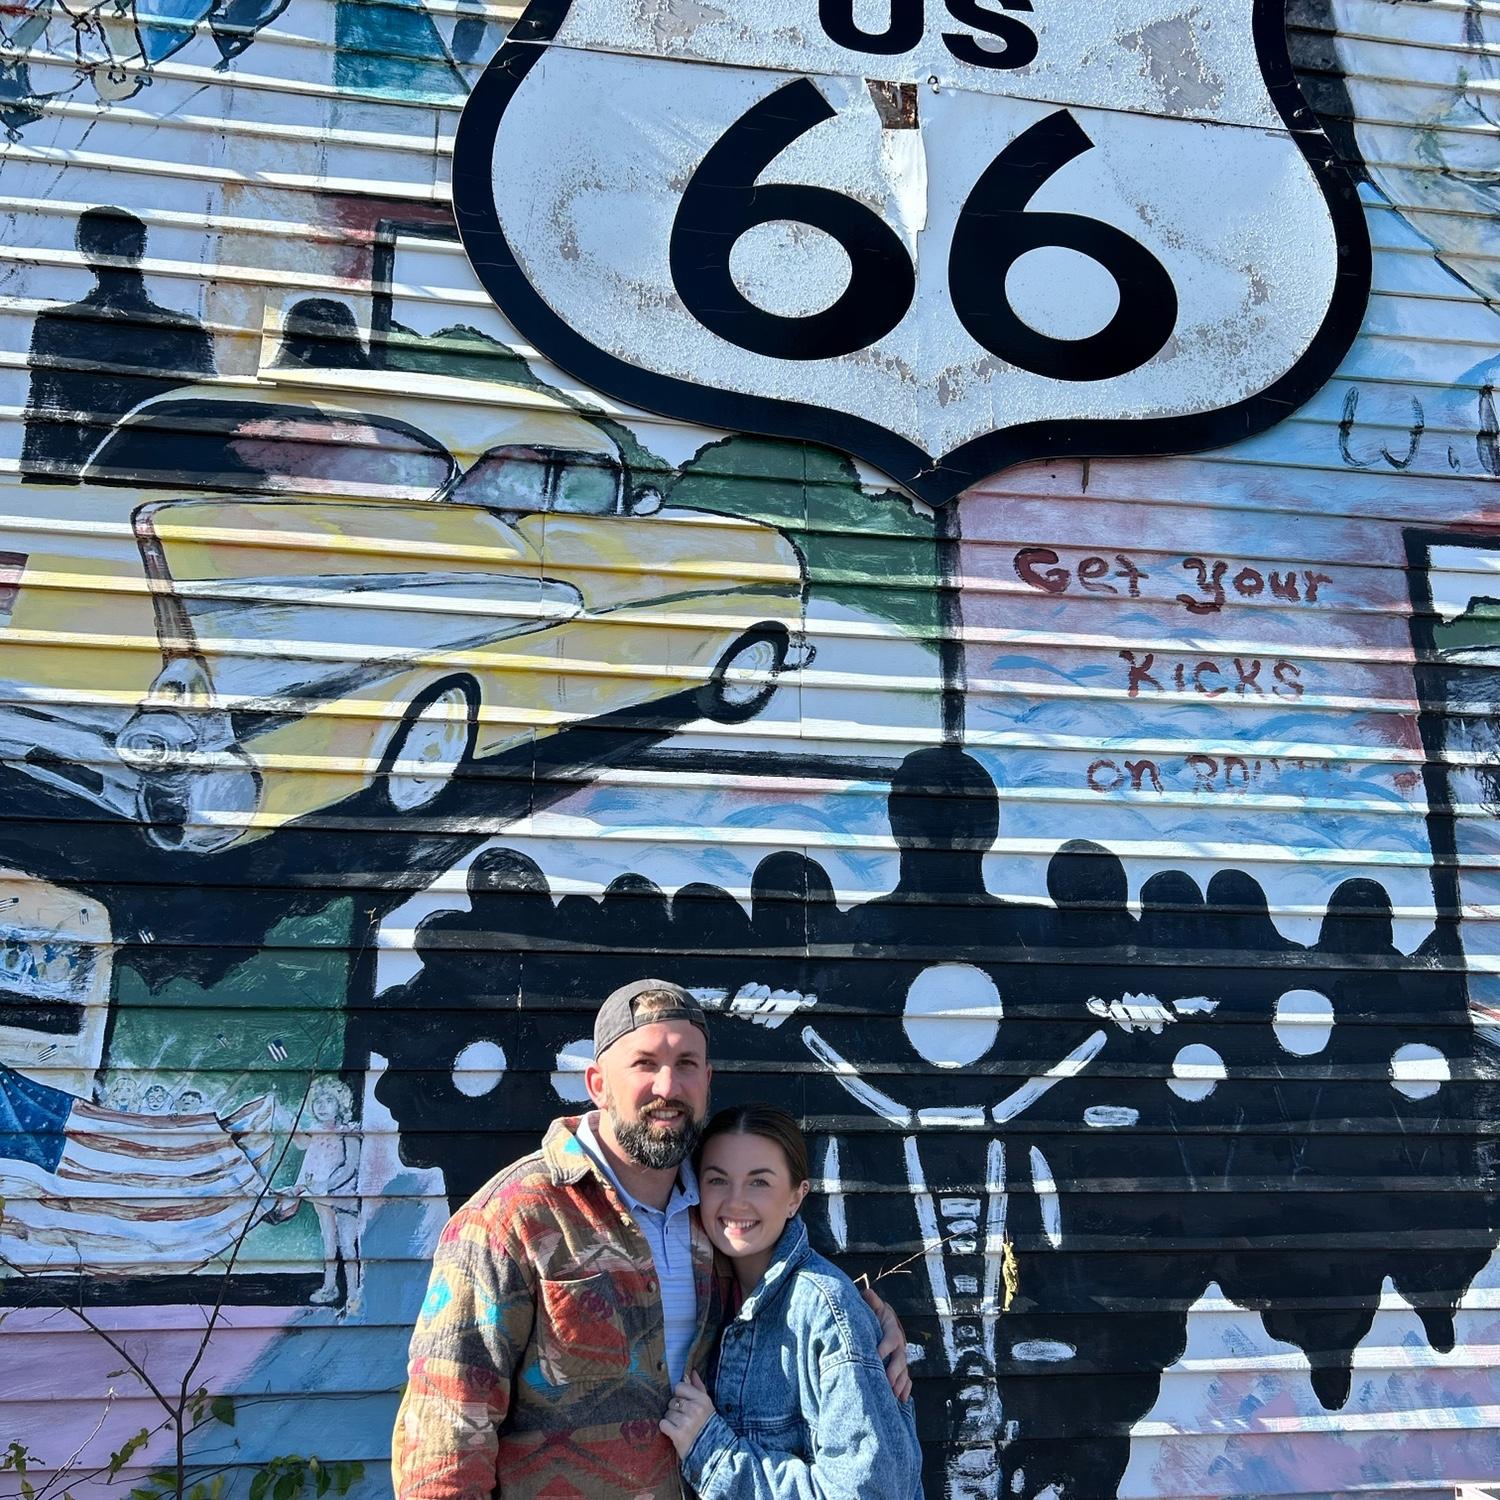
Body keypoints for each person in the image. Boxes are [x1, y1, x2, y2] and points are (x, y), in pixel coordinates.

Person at [391, 978, 909, 1500]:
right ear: (597, 1084)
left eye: (686, 1064)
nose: (668, 1086)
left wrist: (866, 1327)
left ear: (706, 1080)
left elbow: (786, 1298)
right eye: (645, 1063)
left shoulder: (717, 1213)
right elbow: (445, 1436)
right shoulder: (514, 1218)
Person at [659, 1105, 923, 1500]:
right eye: (718, 1180)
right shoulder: (704, 1293)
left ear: (796, 1197)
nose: (735, 1201)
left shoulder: (825, 1312)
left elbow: (868, 1493)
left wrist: (713, 1452)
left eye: (759, 1182)